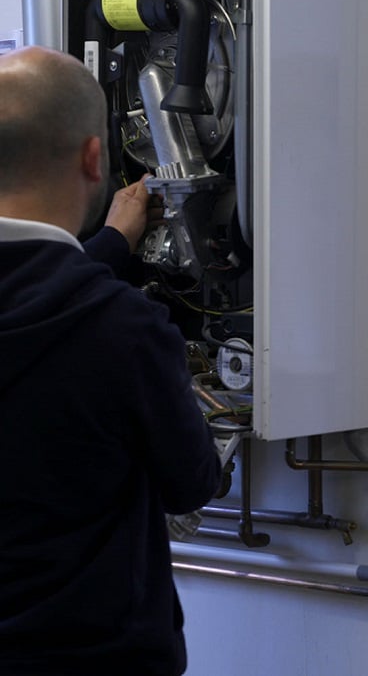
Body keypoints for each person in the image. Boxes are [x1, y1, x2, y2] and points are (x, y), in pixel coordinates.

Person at [0, 46, 222, 675]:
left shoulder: (109, 319)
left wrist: (111, 246)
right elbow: (191, 483)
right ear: (94, 158)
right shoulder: (123, 329)